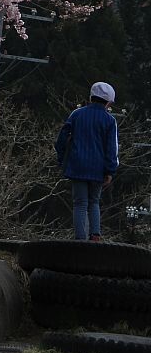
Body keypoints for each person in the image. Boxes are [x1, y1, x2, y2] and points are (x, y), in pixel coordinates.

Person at [55, 80, 119, 242]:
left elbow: (61, 140)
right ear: (109, 101)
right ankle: (95, 234)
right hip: (98, 168)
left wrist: (62, 159)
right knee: (94, 202)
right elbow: (112, 148)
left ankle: (80, 238)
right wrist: (110, 171)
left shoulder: (77, 114)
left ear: (91, 97)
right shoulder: (109, 120)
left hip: (77, 165)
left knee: (80, 203)